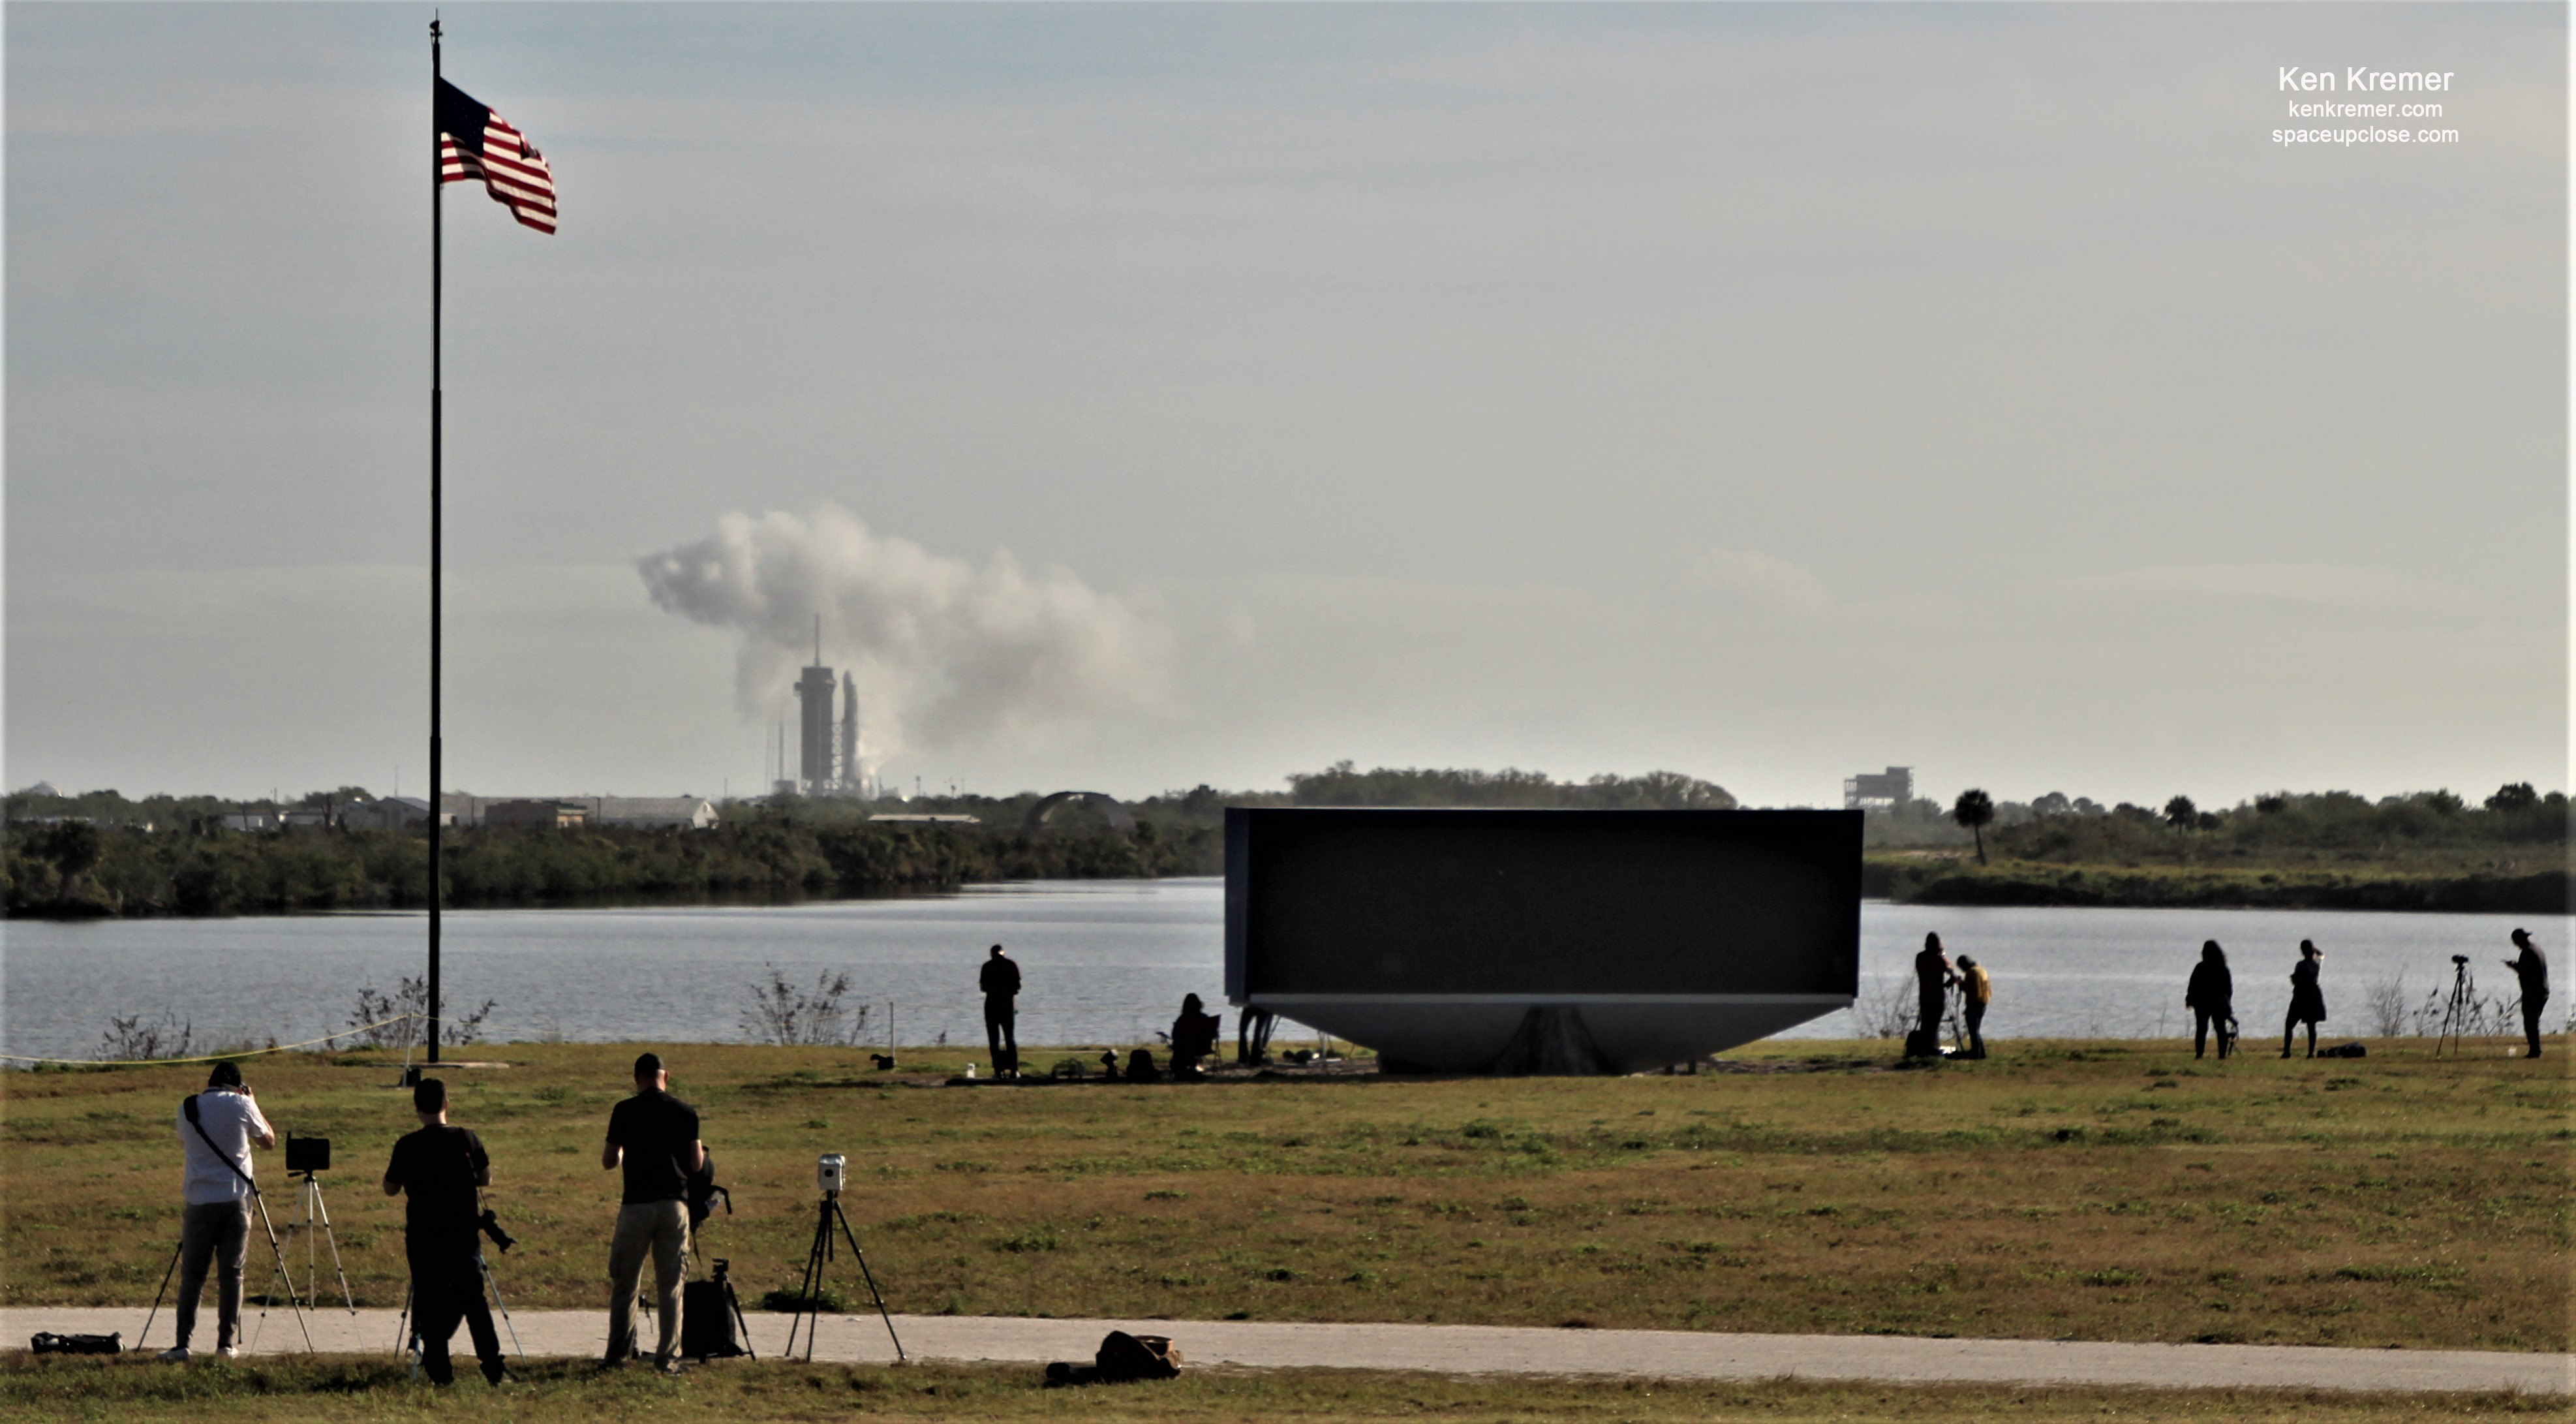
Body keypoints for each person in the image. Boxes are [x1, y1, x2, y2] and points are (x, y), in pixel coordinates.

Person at [383, 1077, 507, 1386]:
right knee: (475, 1303)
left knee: (429, 1300)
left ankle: (439, 1372)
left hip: (424, 1237)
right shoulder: (467, 1138)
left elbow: (390, 1188)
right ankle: (493, 1367)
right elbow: (486, 1179)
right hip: (463, 1234)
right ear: (446, 1104)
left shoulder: (407, 1144)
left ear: (416, 1108)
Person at [159, 1061, 275, 1362]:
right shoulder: (242, 1103)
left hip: (198, 1200)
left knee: (192, 1276)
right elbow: (268, 1142)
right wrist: (253, 1102)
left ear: (209, 1082)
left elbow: (185, 1140)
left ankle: (182, 1343)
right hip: (236, 1199)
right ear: (238, 1086)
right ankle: (226, 1344)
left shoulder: (188, 1107)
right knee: (232, 1274)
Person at [602, 1052, 703, 1370]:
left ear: (637, 1078)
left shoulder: (624, 1110)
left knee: (626, 1283)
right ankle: (668, 1358)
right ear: (666, 1076)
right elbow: (697, 1164)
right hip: (674, 1206)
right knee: (671, 1286)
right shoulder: (686, 1112)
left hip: (636, 1206)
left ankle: (618, 1354)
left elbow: (609, 1160)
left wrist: (623, 1153)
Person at [2506, 928, 2550, 1059]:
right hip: (2543, 990)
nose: (2515, 944)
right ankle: (2535, 1049)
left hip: (2534, 992)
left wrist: (2514, 966)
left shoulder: (2527, 952)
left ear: (2520, 940)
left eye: (2515, 941)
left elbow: (2525, 971)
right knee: (2533, 1021)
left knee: (2530, 1022)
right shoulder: (2537, 949)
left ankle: (2535, 1051)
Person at [2185, 941, 2234, 1060]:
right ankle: (2222, 1055)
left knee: (2201, 1029)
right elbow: (2229, 988)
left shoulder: (2200, 967)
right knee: (2220, 1029)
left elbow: (2193, 985)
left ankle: (2199, 1055)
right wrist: (2227, 1002)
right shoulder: (2223, 968)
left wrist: (2189, 999)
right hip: (2218, 1003)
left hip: (2201, 1003)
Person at [979, 944, 1022, 1079]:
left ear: (992, 954)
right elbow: (1018, 986)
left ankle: (999, 1071)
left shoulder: (987, 966)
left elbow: (983, 987)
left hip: (991, 1006)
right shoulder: (1011, 965)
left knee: (994, 1040)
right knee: (1010, 1038)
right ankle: (1014, 1070)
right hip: (1007, 1005)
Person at [2282, 940, 2327, 1059]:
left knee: (2289, 1025)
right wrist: (2315, 949)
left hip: (2301, 996)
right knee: (2311, 1026)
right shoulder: (2317, 963)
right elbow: (2321, 955)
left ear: (2302, 951)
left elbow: (2297, 980)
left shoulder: (2301, 965)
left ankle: (2287, 1052)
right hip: (2313, 995)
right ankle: (2311, 1052)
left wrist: (2293, 979)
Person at [1912, 933, 1955, 1051]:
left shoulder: (1920, 957)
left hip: (1924, 995)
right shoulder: (1939, 959)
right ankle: (1931, 1048)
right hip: (1937, 996)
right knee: (1935, 1023)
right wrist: (1943, 955)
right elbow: (1951, 970)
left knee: (1926, 1023)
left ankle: (1926, 1048)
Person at [1169, 993, 1221, 1079]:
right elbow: (1214, 1035)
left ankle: (1183, 1071)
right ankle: (1191, 1069)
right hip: (1203, 1048)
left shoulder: (1182, 1020)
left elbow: (1175, 1035)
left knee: (1179, 1051)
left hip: (1184, 1049)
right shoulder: (1205, 1019)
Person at [1954, 955, 1991, 1059]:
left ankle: (1975, 1053)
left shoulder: (1971, 973)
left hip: (1974, 1003)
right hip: (1983, 1003)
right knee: (1976, 1030)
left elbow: (1969, 989)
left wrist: (1960, 983)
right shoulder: (1981, 970)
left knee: (1973, 1030)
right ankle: (1981, 1053)